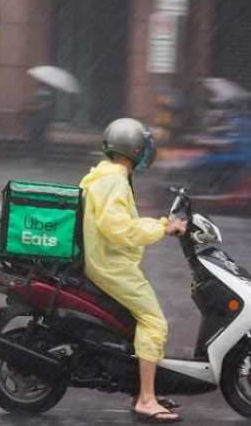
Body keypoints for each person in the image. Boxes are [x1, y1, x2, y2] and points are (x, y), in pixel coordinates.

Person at [80, 118, 187, 423]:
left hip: (106, 260)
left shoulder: (102, 176)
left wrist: (160, 225)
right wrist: (163, 228)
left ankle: (141, 388)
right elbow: (119, 230)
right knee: (154, 322)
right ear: (135, 149)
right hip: (110, 265)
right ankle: (146, 399)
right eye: (145, 146)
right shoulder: (114, 181)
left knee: (132, 322)